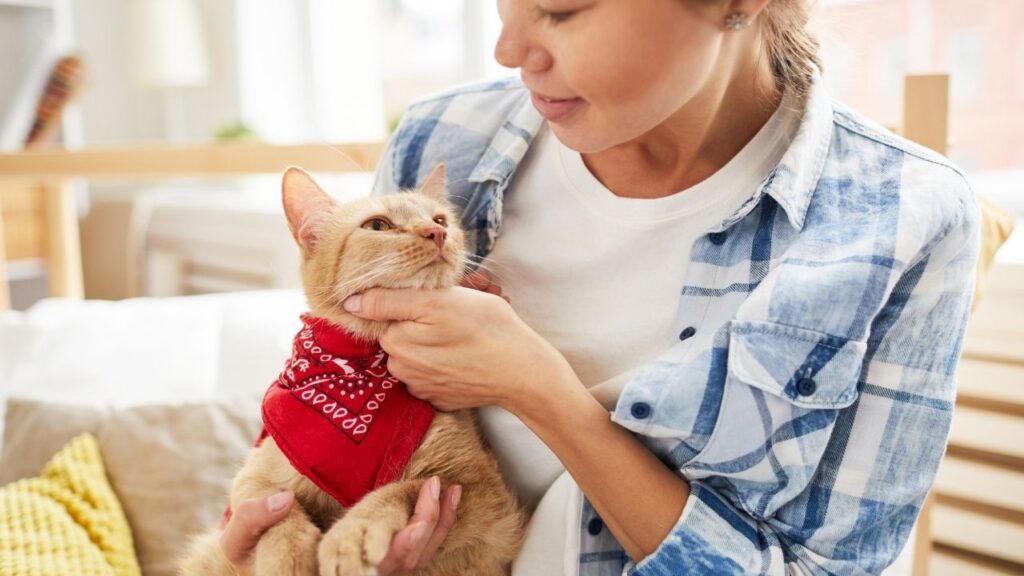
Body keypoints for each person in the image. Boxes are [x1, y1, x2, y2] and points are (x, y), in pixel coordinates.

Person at [221, 0, 980, 574]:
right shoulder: (441, 138)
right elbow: (343, 412)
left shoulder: (902, 217)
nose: (509, 46)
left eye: (560, 8)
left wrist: (539, 390)